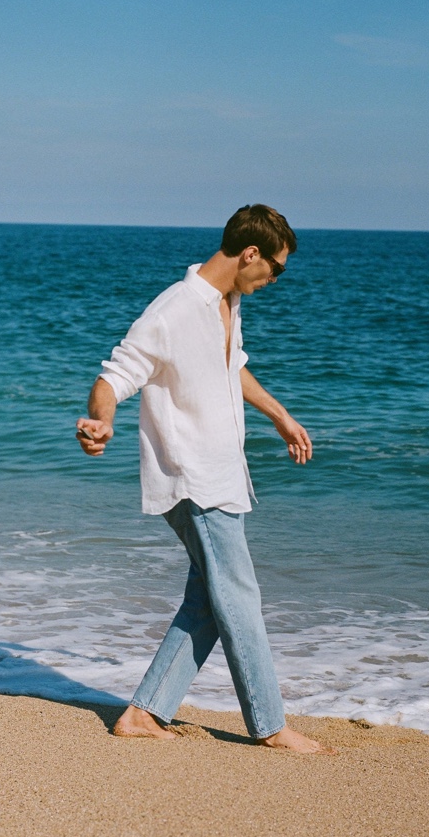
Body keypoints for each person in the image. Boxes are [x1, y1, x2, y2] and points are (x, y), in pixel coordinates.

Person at [76, 204, 331, 753]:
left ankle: (145, 713)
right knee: (238, 595)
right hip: (192, 475)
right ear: (251, 254)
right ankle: (270, 725)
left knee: (209, 600)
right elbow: (114, 375)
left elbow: (229, 364)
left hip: (224, 473)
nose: (275, 281)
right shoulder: (172, 310)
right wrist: (101, 421)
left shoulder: (227, 300)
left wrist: (280, 415)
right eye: (276, 269)